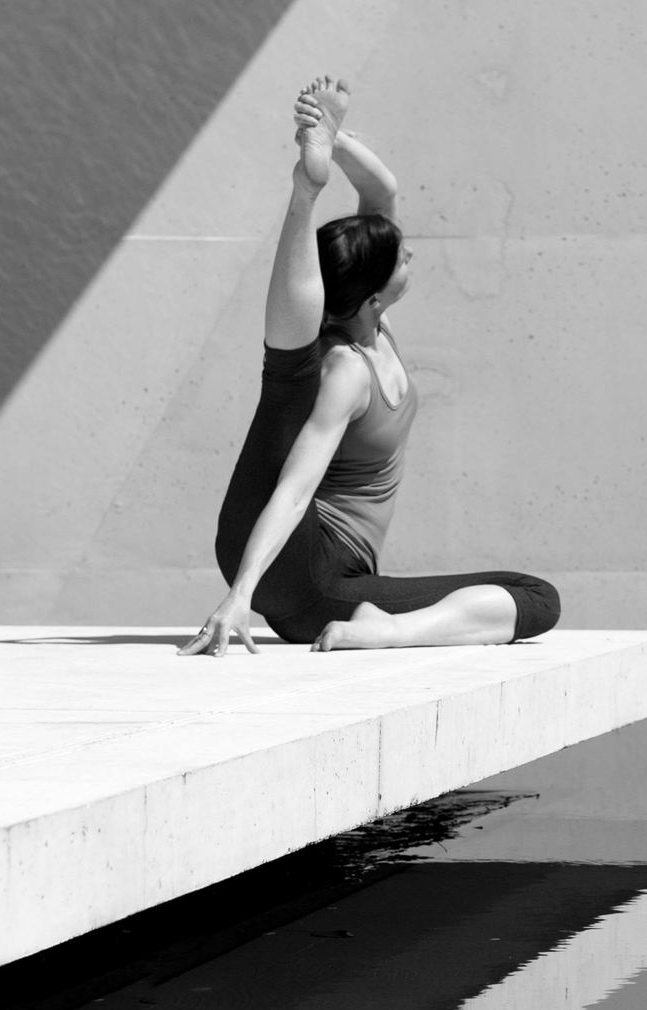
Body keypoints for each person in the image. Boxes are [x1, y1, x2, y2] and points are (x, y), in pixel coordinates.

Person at [179, 78, 559, 657]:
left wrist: (332, 140)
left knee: (533, 597)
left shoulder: (373, 320)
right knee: (286, 377)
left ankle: (382, 628)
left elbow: (382, 196)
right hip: (299, 563)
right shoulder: (346, 369)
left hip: (335, 586)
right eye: (401, 257)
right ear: (377, 295)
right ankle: (301, 199)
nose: (411, 253)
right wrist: (240, 594)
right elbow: (297, 484)